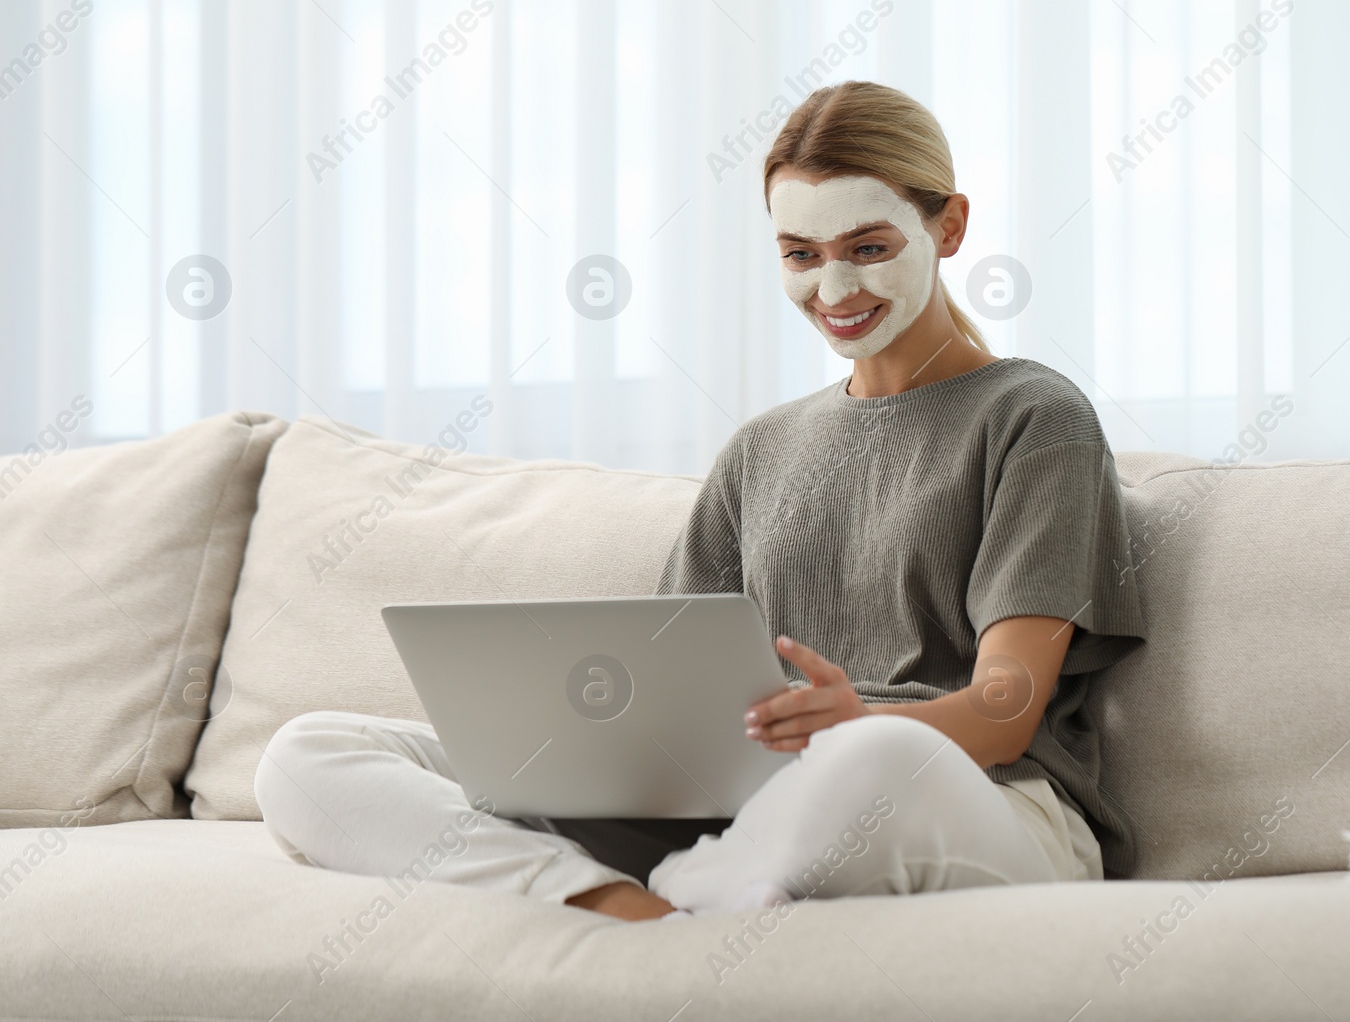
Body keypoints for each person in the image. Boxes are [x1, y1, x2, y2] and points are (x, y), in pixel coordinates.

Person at [255, 79, 1147, 922]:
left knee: (872, 756)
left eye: (869, 249)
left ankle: (688, 894)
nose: (833, 291)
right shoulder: (761, 451)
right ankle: (612, 903)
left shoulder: (1035, 418)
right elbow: (672, 700)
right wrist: (587, 746)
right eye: (801, 256)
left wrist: (856, 719)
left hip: (971, 794)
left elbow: (1004, 711)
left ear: (948, 227)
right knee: (309, 752)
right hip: (757, 802)